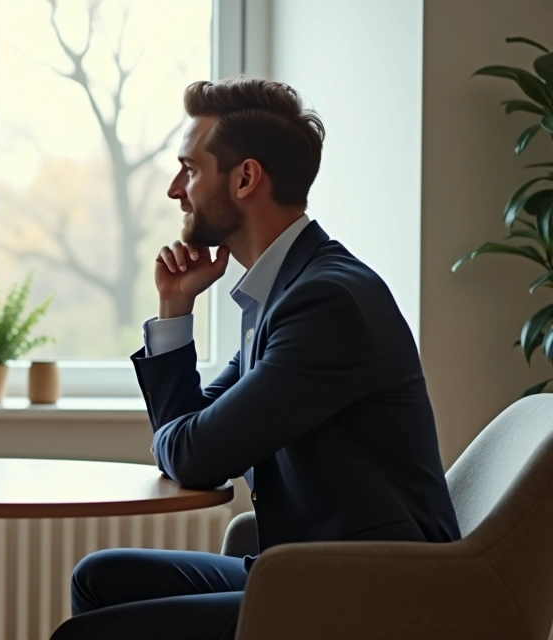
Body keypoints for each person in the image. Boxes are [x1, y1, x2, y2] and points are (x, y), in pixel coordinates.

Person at [50, 78, 460, 640]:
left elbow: (193, 454)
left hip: (370, 591)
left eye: (190, 169)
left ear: (245, 178)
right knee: (102, 578)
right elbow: (193, 436)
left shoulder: (325, 303)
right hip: (305, 569)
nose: (175, 189)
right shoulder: (287, 291)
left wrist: (184, 435)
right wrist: (174, 308)